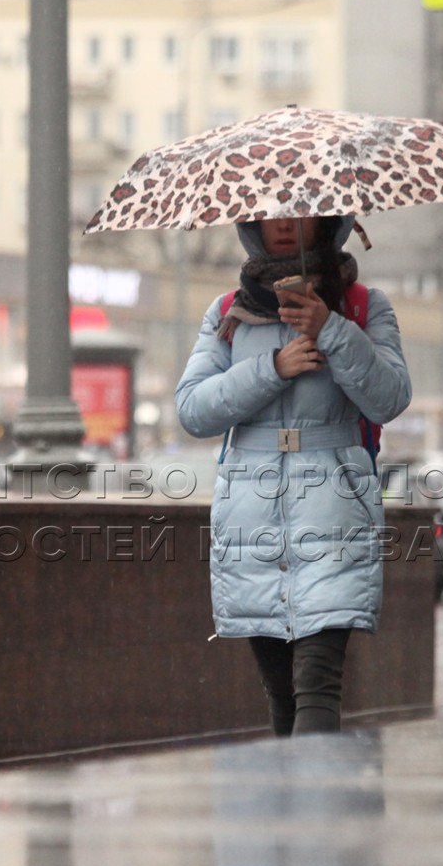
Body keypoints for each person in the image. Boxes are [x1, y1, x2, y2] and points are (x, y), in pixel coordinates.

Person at [174, 213, 412, 736]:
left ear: (327, 222)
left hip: (333, 510)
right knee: (282, 691)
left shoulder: (362, 306)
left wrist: (330, 330)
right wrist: (272, 368)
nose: (283, 223)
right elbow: (193, 410)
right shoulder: (228, 314)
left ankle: (315, 804)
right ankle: (292, 809)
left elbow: (390, 397)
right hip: (251, 518)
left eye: (299, 211)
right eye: (270, 214)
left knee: (317, 679)